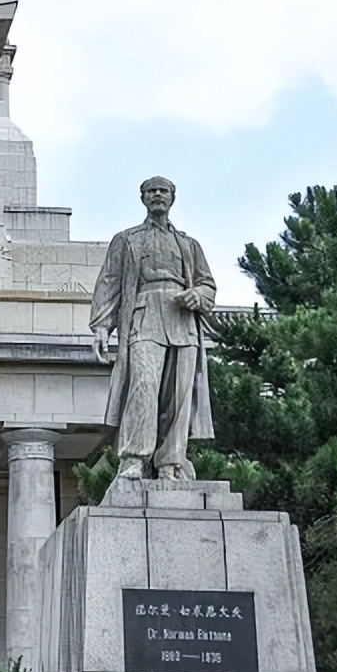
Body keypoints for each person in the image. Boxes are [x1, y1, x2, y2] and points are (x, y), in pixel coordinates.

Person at [89, 177, 216, 481]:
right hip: (144, 316)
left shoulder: (188, 244)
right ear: (143, 198)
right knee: (143, 387)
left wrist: (197, 295)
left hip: (182, 321)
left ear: (173, 198)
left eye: (164, 191)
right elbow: (109, 281)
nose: (158, 195)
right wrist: (102, 326)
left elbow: (207, 283)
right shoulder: (127, 239)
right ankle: (134, 457)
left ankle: (171, 461)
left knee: (179, 395)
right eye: (151, 191)